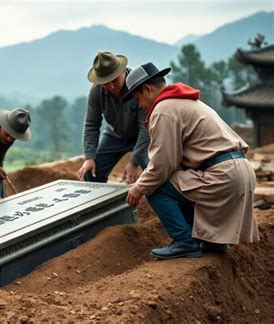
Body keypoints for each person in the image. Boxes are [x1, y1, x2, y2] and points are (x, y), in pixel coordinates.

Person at [123, 62, 259, 260]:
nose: (141, 105)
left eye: (138, 98)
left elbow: (162, 165)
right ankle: (214, 241)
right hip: (240, 171)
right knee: (181, 180)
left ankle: (185, 242)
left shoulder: (163, 109)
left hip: (222, 175)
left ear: (147, 89)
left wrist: (138, 187)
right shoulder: (185, 101)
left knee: (154, 186)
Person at [76, 51, 150, 184]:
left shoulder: (138, 85)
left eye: (114, 81)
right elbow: (91, 124)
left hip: (143, 136)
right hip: (114, 136)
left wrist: (134, 162)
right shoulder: (96, 91)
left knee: (154, 169)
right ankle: (101, 204)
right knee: (91, 173)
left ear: (122, 72)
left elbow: (146, 128)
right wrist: (89, 157)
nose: (111, 86)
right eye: (105, 83)